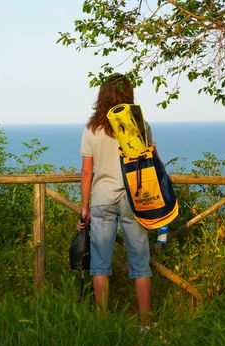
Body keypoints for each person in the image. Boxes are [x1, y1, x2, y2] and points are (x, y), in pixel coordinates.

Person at [77, 74, 154, 327]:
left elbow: (87, 172)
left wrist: (84, 207)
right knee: (140, 262)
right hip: (134, 199)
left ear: (102, 96)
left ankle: (102, 323)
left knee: (100, 264)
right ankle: (145, 324)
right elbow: (151, 163)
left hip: (101, 199)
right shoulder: (139, 124)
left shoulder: (92, 129)